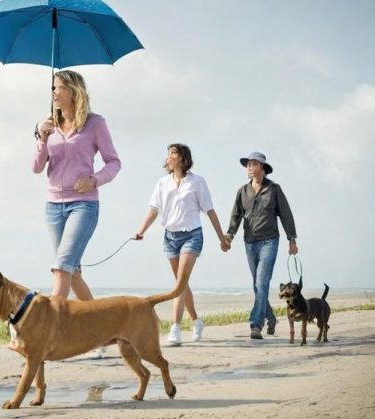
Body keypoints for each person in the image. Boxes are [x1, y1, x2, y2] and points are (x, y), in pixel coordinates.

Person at [32, 70, 121, 302]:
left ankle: (51, 321)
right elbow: (36, 167)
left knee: (62, 267)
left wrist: (94, 180)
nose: (54, 92)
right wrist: (42, 138)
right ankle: (98, 321)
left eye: (59, 87)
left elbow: (114, 162)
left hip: (83, 205)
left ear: (73, 91)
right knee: (73, 274)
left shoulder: (95, 123)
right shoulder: (47, 125)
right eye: (53, 87)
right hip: (53, 207)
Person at [134, 144, 230, 346]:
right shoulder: (162, 182)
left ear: (183, 158)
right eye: (168, 153)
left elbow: (209, 210)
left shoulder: (197, 182)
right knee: (181, 284)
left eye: (173, 153)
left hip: (192, 235)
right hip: (170, 237)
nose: (169, 157)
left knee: (179, 282)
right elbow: (153, 210)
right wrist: (141, 231)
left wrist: (221, 237)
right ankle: (196, 321)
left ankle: (175, 328)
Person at [225, 151, 298, 340]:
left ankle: (256, 325)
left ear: (263, 168)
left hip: (269, 241)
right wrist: (230, 235)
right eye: (248, 164)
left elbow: (286, 214)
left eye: (254, 164)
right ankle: (271, 318)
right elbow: (236, 216)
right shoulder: (242, 191)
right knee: (258, 286)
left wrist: (292, 239)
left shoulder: (274, 189)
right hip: (249, 242)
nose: (250, 167)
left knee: (261, 283)